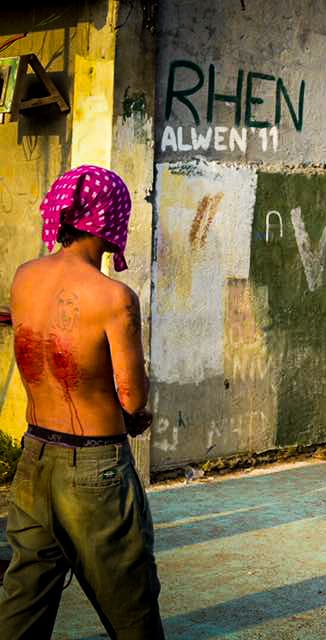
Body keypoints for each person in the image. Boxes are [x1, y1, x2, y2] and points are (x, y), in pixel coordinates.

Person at [0, 166, 163, 639]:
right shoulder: (113, 297)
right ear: (112, 221)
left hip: (35, 458)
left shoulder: (25, 277)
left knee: (24, 599)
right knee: (131, 604)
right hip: (95, 468)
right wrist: (136, 416)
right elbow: (131, 394)